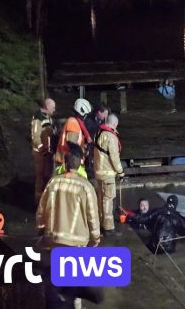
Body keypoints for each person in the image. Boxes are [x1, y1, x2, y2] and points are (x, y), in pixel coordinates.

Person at [36, 148, 102, 309]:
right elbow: (92, 216)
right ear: (80, 162)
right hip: (76, 241)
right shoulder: (85, 187)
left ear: (65, 163)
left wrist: (41, 228)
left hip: (54, 238)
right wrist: (95, 239)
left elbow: (42, 209)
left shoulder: (53, 182)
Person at [93, 114, 124, 236]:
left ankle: (101, 224)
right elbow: (114, 158)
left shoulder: (98, 133)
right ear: (115, 124)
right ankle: (109, 228)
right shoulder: (111, 137)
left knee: (100, 200)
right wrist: (121, 172)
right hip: (108, 174)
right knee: (108, 201)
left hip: (98, 172)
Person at [55, 98, 92, 177]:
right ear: (82, 112)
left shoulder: (74, 122)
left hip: (68, 162)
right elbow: (72, 145)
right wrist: (82, 153)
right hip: (68, 163)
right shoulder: (73, 123)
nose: (86, 117)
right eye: (86, 115)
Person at [31, 98, 56, 206]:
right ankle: (38, 201)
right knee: (40, 176)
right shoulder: (38, 119)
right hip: (40, 154)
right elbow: (35, 137)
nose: (54, 110)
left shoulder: (47, 117)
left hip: (47, 152)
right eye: (53, 107)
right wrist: (42, 149)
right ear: (47, 107)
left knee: (47, 175)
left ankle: (45, 199)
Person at [85, 103, 108, 178]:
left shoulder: (104, 121)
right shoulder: (88, 120)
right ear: (98, 112)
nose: (105, 116)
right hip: (90, 148)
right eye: (104, 114)